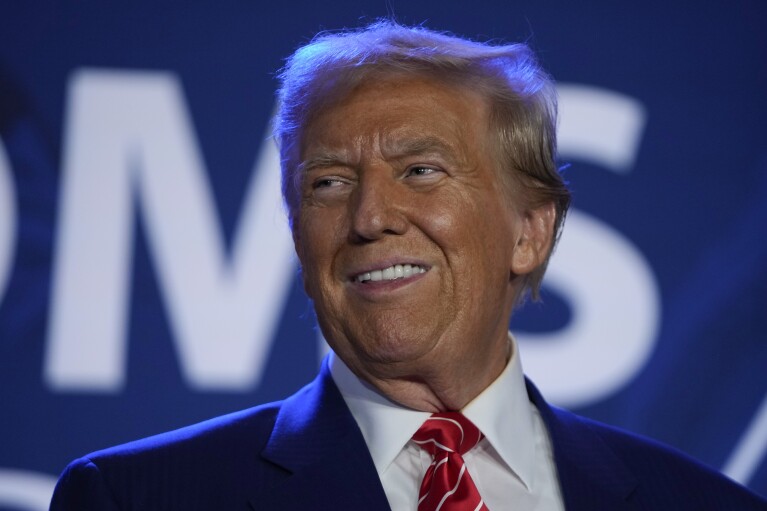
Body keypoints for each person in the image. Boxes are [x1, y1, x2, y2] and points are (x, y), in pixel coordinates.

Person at [50, 21, 767, 511]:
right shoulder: (137, 496)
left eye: (421, 170)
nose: (367, 218)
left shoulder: (703, 503)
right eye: (327, 182)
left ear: (530, 232)